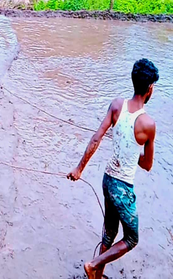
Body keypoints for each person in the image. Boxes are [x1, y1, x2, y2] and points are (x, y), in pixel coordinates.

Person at [67, 58, 159, 279]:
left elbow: (97, 138)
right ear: (150, 89)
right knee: (131, 239)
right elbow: (147, 165)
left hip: (107, 179)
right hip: (123, 187)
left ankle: (96, 276)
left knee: (110, 232)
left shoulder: (117, 104)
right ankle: (93, 265)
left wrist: (79, 169)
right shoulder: (148, 124)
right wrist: (137, 151)